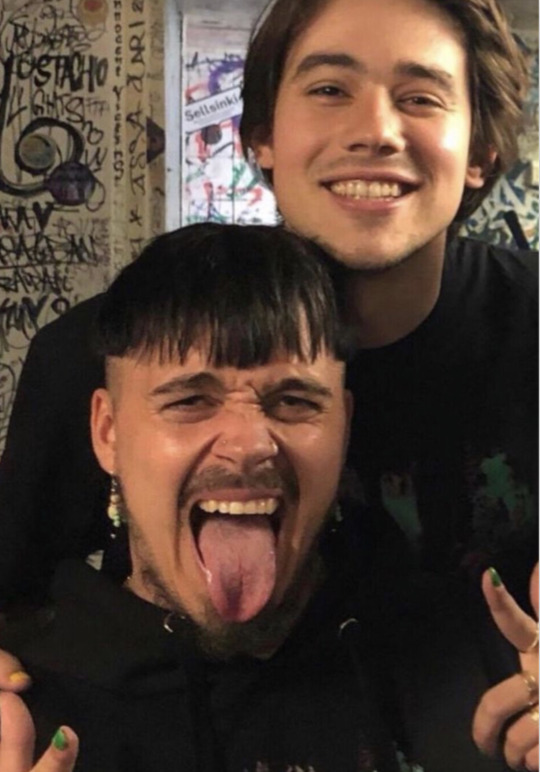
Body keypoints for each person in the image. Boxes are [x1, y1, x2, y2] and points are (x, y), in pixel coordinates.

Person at [0, 0, 537, 765]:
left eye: (421, 96)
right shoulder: (108, 352)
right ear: (261, 136)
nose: (376, 131)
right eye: (329, 89)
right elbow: (15, 590)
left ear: (481, 149)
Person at [0, 222, 533, 772]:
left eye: (295, 402)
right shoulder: (24, 712)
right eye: (189, 401)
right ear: (107, 432)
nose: (249, 445)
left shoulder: (470, 668)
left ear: (344, 426)